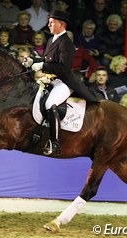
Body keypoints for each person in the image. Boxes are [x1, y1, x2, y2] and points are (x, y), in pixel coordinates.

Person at [27, 9, 98, 155]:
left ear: (61, 24)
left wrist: (41, 66)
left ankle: (55, 143)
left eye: (52, 23)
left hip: (64, 82)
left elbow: (63, 68)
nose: (48, 25)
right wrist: (33, 61)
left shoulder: (67, 43)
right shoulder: (51, 40)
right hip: (51, 80)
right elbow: (48, 60)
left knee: (49, 104)